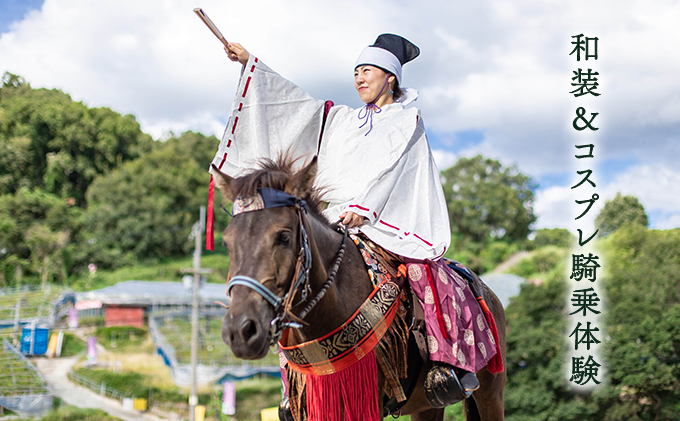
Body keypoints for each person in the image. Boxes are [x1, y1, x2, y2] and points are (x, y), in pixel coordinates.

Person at [211, 34, 497, 409]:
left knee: (422, 274)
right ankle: (293, 385)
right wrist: (252, 64)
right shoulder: (344, 120)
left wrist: (368, 208)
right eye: (356, 72)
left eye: (368, 71)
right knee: (298, 283)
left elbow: (398, 172)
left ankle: (445, 364)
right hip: (337, 219)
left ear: (390, 77)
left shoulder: (406, 121)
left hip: (387, 220)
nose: (359, 78)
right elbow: (298, 106)